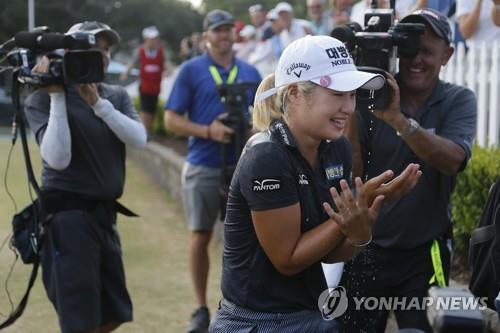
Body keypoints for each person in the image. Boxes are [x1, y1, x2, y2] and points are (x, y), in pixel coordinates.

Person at [209, 35, 422, 333]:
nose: (349, 107)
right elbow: (288, 259)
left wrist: (359, 232)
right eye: (337, 94)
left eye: (352, 95)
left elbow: (329, 253)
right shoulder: (266, 155)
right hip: (256, 322)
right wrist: (351, 212)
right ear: (295, 93)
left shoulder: (337, 148)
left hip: (312, 315)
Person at [341, 8, 477, 332]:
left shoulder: (458, 99)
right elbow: (353, 177)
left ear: (448, 54)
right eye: (410, 50)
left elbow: (454, 160)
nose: (416, 60)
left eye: (427, 52)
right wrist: (349, 112)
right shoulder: (369, 94)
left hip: (425, 253)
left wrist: (398, 120)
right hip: (366, 249)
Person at [24, 21, 147, 333]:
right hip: (68, 218)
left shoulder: (115, 95)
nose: (102, 56)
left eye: (106, 49)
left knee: (114, 312)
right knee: (80, 319)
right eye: (93, 49)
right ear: (69, 53)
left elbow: (138, 139)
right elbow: (58, 158)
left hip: (104, 216)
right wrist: (56, 96)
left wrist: (98, 105)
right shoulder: (42, 97)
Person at [163, 9, 261, 333]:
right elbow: (170, 119)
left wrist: (250, 130)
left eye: (227, 30)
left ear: (234, 35)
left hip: (243, 164)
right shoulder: (192, 70)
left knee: (248, 240)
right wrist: (209, 131)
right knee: (200, 235)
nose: (223, 36)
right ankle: (200, 308)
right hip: (204, 163)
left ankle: (242, 306)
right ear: (206, 36)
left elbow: (265, 116)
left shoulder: (249, 70)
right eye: (216, 31)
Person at [121, 25, 173, 135]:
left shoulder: (161, 52)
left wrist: (166, 73)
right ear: (146, 39)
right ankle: (143, 132)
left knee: (152, 110)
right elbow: (131, 63)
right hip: (144, 86)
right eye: (151, 38)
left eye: (155, 38)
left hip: (156, 87)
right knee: (145, 110)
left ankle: (146, 131)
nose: (154, 41)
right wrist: (125, 73)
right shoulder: (140, 51)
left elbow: (168, 68)